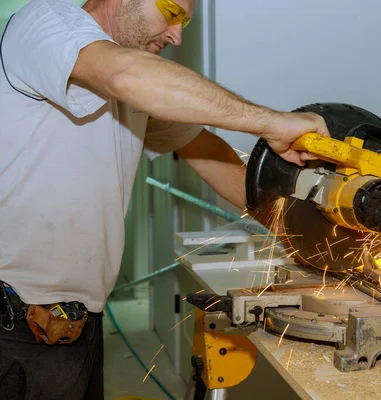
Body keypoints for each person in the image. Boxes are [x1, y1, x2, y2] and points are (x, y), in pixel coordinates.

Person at [0, 0, 330, 397]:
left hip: (73, 323)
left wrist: (316, 233)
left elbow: (215, 160)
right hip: (13, 323)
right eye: (172, 11)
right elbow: (124, 75)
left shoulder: (135, 90)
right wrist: (273, 122)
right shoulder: (45, 22)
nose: (177, 35)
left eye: (185, 22)